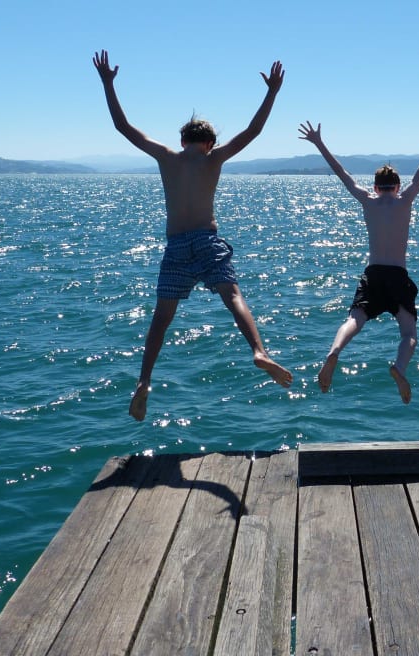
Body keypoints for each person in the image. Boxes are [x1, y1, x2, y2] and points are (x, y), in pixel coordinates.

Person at [92, 49, 293, 421]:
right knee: (232, 296)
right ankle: (259, 351)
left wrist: (107, 83)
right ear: (210, 143)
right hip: (206, 240)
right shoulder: (214, 159)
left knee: (161, 319)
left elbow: (124, 127)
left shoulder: (167, 156)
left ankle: (144, 382)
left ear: (182, 138)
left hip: (176, 246)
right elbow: (254, 131)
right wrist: (272, 93)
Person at [298, 107, 419, 403]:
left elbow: (342, 174)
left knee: (354, 320)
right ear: (397, 186)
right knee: (408, 332)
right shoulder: (405, 199)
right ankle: (399, 367)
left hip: (372, 274)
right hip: (397, 274)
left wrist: (319, 143)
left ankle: (335, 352)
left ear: (375, 186)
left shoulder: (367, 200)